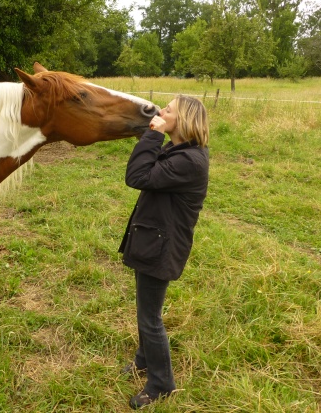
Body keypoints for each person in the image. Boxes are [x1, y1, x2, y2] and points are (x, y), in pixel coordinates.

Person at [118, 95, 209, 409]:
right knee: (145, 310)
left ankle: (161, 382)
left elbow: (137, 177)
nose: (160, 111)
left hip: (162, 248)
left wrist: (153, 134)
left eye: (168, 110)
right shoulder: (181, 151)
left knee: (150, 318)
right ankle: (144, 359)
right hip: (153, 241)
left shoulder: (189, 161)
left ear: (182, 120)